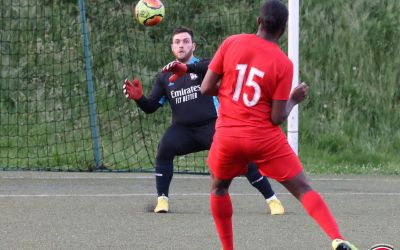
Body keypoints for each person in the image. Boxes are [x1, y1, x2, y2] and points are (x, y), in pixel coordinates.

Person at [198, 1, 359, 249]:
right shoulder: (283, 63)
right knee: (302, 188)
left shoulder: (231, 42)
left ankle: (228, 248)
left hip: (228, 136)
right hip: (262, 139)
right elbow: (276, 117)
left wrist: (229, 93)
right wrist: (294, 100)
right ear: (283, 30)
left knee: (219, 188)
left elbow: (206, 88)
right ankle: (337, 238)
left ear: (258, 21)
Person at [123, 26, 285, 215]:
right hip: (183, 130)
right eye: (177, 42)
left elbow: (213, 66)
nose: (181, 45)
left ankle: (272, 200)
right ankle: (162, 201)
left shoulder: (204, 66)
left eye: (185, 41)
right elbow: (151, 107)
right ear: (171, 48)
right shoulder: (164, 77)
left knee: (243, 157)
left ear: (194, 46)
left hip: (212, 127)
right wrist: (139, 99)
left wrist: (187, 68)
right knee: (164, 147)